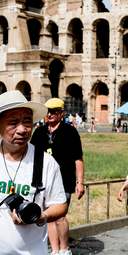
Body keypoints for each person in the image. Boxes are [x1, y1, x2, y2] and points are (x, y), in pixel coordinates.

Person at [0, 91, 68, 254]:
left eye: (27, 122)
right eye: (14, 122)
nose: (22, 130)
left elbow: (60, 204)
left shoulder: (45, 162)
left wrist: (41, 217)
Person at [30, 98, 85, 255]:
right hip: (43, 181)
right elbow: (32, 155)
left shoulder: (70, 132)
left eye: (54, 111)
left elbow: (78, 158)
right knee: (48, 216)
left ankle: (64, 248)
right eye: (48, 111)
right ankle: (54, 250)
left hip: (64, 180)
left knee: (60, 216)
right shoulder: (40, 132)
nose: (50, 114)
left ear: (61, 113)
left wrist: (80, 182)